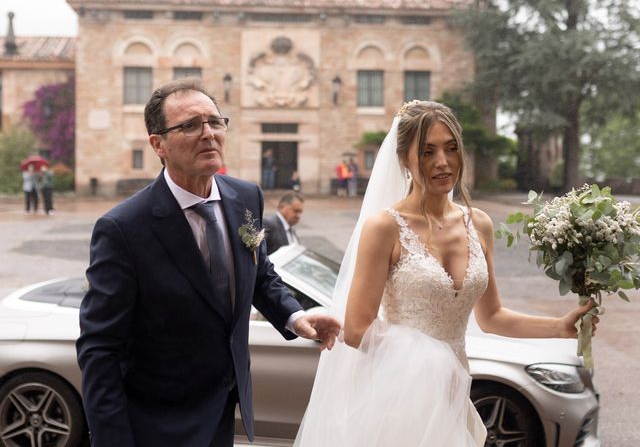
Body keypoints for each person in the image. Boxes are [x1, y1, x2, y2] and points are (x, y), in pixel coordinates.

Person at [294, 100, 598, 446]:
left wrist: (560, 327)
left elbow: (492, 316)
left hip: (455, 389)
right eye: (427, 152)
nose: (443, 162)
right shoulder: (384, 227)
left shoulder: (479, 224)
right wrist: (432, 360)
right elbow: (357, 330)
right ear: (404, 158)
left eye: (451, 148)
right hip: (398, 395)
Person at [76, 78, 340, 447]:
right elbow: (100, 349)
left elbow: (260, 274)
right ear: (158, 144)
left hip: (224, 412)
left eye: (215, 122)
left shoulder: (246, 197)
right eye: (189, 125)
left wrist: (296, 316)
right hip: (157, 426)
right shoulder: (123, 228)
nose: (208, 134)